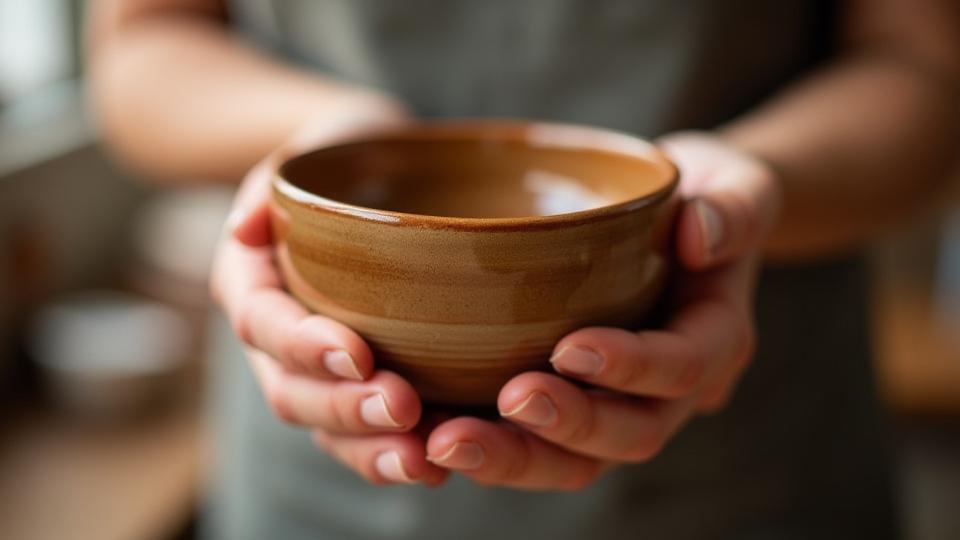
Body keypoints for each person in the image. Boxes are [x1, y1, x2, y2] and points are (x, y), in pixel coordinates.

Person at [87, 1, 960, 538]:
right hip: (328, 465)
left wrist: (744, 192)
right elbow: (144, 43)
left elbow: (922, 64)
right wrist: (325, 138)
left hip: (753, 469)